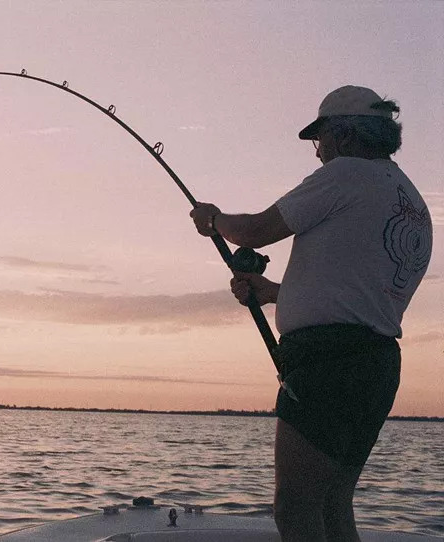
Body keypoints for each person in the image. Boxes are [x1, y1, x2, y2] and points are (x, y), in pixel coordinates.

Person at [189, 85, 433, 542]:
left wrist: (213, 220)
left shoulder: (346, 174)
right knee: (334, 502)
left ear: (343, 135)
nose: (318, 153)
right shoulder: (411, 203)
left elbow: (257, 231)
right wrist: (273, 292)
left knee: (296, 506)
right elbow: (356, 297)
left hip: (327, 364)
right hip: (375, 366)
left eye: (318, 140)